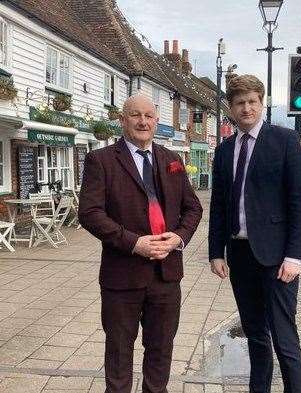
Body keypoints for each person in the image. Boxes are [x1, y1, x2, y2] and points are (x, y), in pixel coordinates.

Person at [79, 95, 202, 393]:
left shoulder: (172, 159)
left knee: (161, 351)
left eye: (149, 116)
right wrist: (134, 243)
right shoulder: (102, 160)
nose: (143, 121)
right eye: (135, 115)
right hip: (123, 276)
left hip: (167, 274)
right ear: (123, 120)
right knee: (119, 353)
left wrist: (179, 237)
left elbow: (193, 208)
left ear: (157, 121)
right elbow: (90, 213)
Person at [209, 75, 301, 393]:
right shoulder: (225, 150)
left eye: (252, 101)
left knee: (284, 338)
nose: (246, 108)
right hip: (240, 256)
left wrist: (295, 256)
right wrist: (216, 252)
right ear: (231, 107)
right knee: (255, 334)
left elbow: (300, 202)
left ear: (261, 102)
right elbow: (219, 205)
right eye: (240, 103)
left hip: (277, 257)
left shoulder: (284, 142)